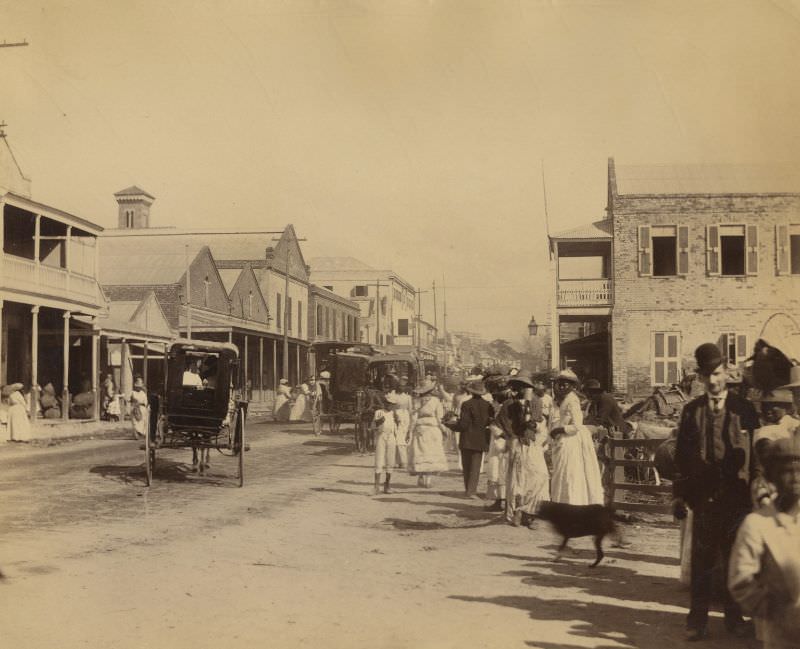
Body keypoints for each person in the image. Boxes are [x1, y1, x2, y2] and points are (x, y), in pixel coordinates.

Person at [673, 342, 759, 641]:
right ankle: (697, 622)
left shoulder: (744, 410)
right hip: (704, 498)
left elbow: (756, 456)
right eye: (707, 375)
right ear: (699, 377)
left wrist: (756, 493)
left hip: (737, 498)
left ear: (727, 373)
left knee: (735, 560)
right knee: (702, 562)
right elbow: (681, 457)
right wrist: (679, 494)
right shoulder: (691, 411)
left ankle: (735, 620)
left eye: (718, 373)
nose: (713, 380)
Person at [729, 436, 800, 649]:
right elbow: (741, 581)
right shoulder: (758, 524)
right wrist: (778, 612)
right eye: (787, 471)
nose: (796, 477)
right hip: (783, 633)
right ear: (773, 477)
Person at [498, 371, 550, 526]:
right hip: (518, 445)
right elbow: (500, 424)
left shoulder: (536, 402)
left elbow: (540, 424)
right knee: (518, 480)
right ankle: (518, 512)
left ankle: (529, 512)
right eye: (519, 386)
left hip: (532, 444)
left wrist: (535, 426)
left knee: (539, 477)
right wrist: (510, 437)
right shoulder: (509, 404)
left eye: (526, 386)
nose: (522, 389)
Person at [549, 369, 604, 507]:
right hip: (565, 439)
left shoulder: (572, 400)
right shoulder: (564, 399)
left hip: (571, 440)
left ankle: (572, 502)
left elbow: (577, 426)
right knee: (564, 471)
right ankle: (564, 502)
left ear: (572, 386)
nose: (562, 387)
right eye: (560, 384)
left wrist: (559, 429)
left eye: (565, 384)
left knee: (570, 472)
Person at [455, 380, 493, 499]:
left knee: (466, 465)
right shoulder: (488, 405)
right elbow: (489, 422)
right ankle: (472, 491)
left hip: (466, 437)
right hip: (481, 438)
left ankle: (468, 490)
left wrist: (452, 424)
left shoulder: (466, 404)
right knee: (476, 466)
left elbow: (463, 424)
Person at [408, 379, 449, 488]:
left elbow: (413, 418)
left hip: (420, 429)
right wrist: (444, 430)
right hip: (432, 429)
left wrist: (410, 431)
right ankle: (428, 480)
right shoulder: (436, 401)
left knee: (420, 453)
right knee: (431, 454)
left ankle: (421, 478)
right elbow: (440, 418)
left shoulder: (417, 401)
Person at [373, 392, 400, 494]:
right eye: (388, 403)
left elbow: (397, 426)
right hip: (382, 436)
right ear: (384, 403)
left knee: (390, 461)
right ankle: (376, 486)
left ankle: (387, 486)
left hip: (391, 437)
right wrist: (380, 421)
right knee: (379, 460)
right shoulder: (379, 412)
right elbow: (374, 425)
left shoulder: (394, 413)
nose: (390, 405)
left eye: (392, 404)